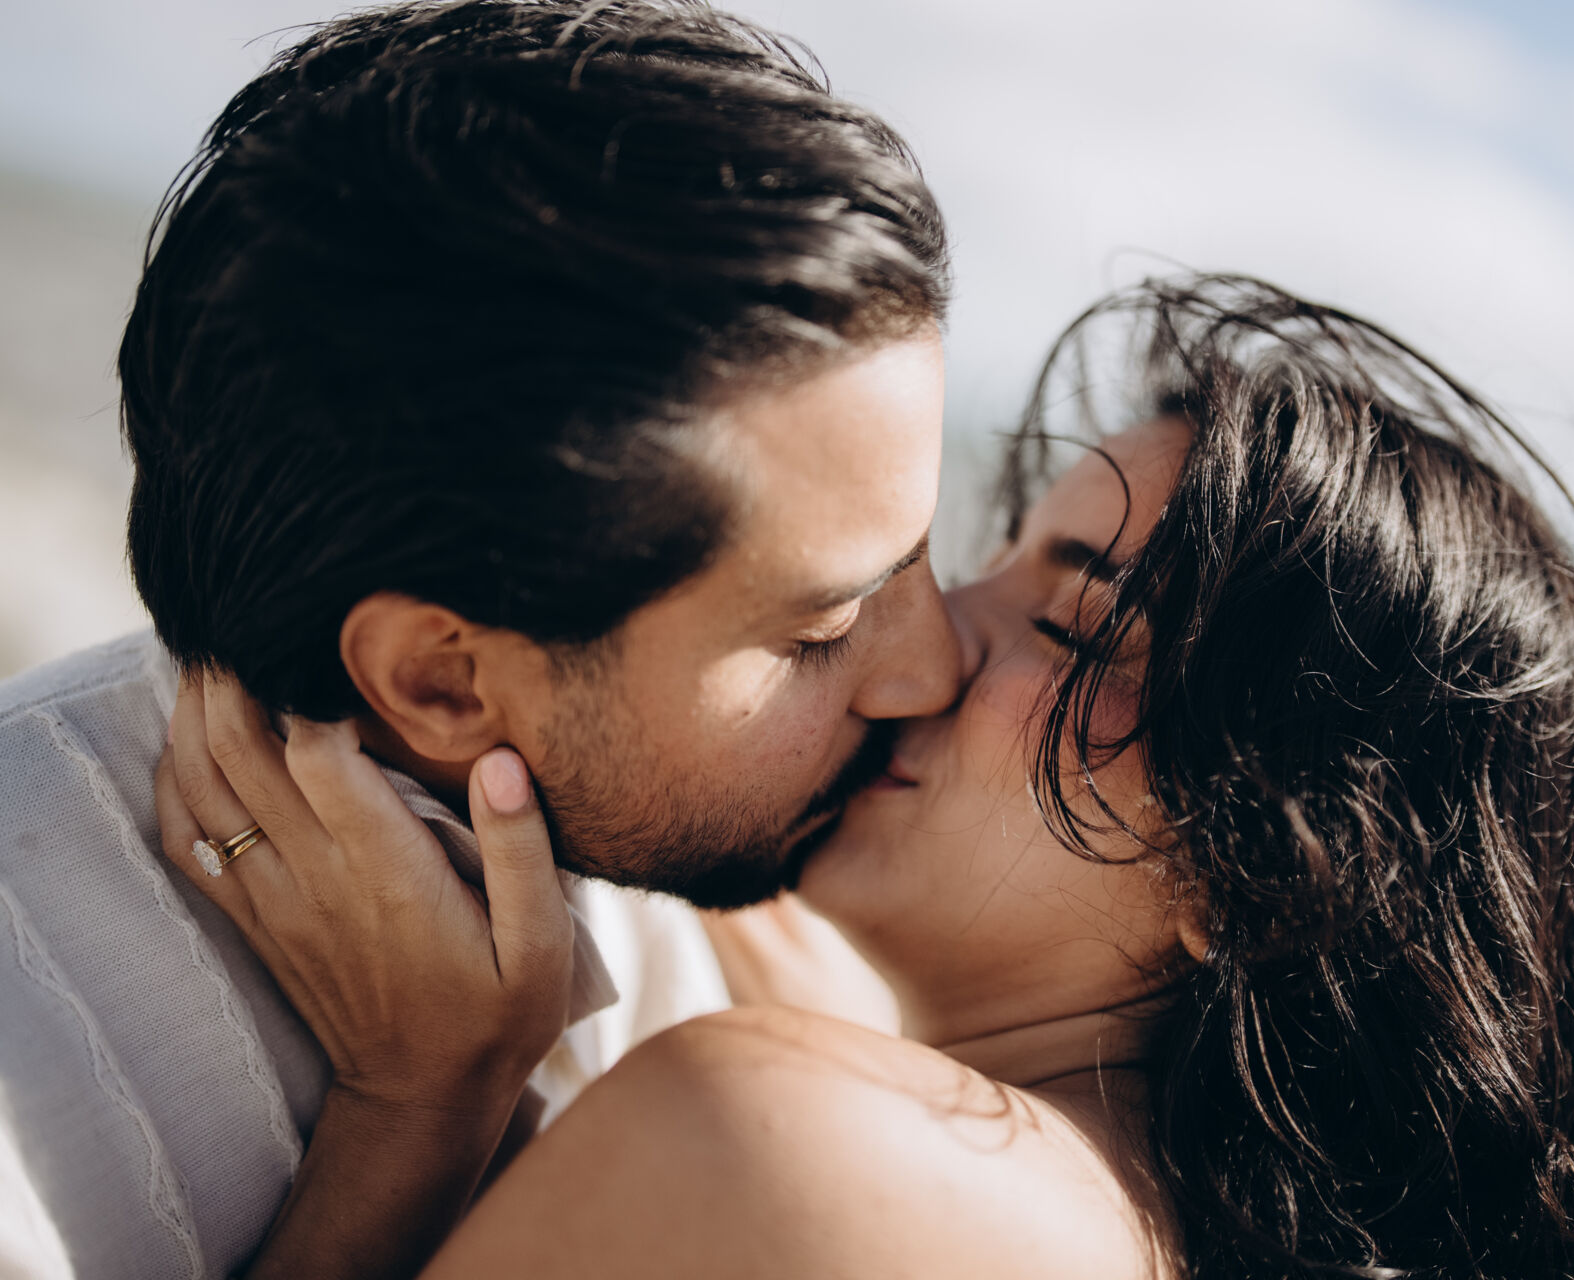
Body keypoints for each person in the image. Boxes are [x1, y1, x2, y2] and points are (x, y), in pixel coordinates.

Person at [161, 276, 1574, 1279]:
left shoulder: (791, 1146)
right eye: (994, 556)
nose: (919, 640)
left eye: (1070, 624)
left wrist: (412, 1106)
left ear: (1267, 882)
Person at [0, 3, 961, 1276]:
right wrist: (413, 1113)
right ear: (441, 681)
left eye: (925, 555)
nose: (937, 666)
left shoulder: (671, 893)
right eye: (826, 625)